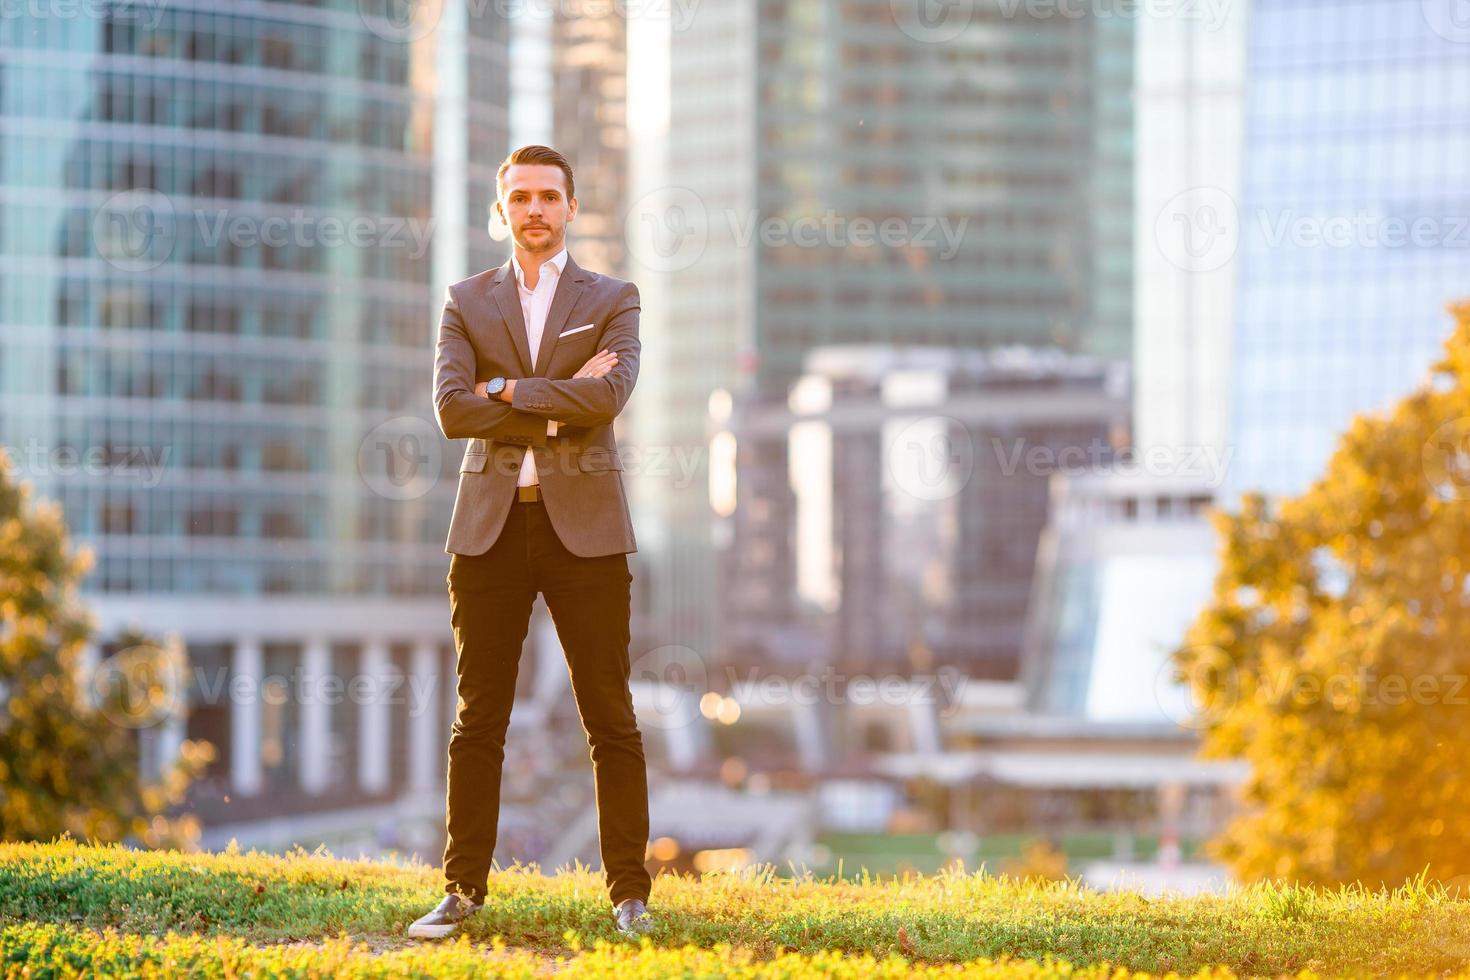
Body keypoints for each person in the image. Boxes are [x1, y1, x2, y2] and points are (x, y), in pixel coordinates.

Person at [408, 144, 652, 940]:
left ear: (572, 208)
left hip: (586, 535)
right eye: (522, 198)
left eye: (550, 196)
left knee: (609, 719)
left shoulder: (614, 297)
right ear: (502, 209)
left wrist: (506, 391)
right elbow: (451, 411)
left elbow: (608, 396)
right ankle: (462, 891)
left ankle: (629, 896)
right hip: (489, 533)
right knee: (478, 720)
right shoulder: (464, 301)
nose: (536, 210)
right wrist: (559, 403)